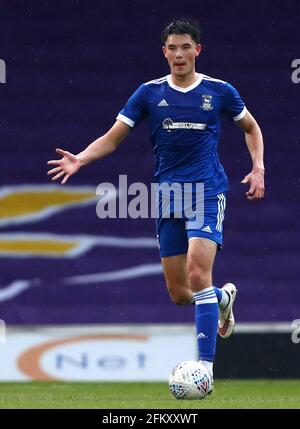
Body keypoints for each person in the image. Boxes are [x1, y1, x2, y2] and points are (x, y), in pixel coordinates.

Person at [47, 19, 265, 391]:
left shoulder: (220, 91)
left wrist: (257, 168)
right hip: (167, 197)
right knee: (181, 294)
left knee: (199, 275)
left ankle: (206, 369)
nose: (179, 54)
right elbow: (113, 138)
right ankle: (223, 298)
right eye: (172, 48)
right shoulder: (148, 94)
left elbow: (251, 127)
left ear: (198, 50)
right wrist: (80, 159)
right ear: (164, 52)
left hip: (206, 192)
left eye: (185, 47)